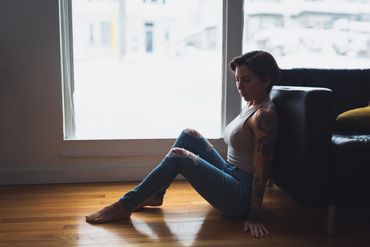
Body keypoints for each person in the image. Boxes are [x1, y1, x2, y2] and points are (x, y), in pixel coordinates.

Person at [86, 50, 281, 238]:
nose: (240, 87)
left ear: (266, 80)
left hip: (240, 197)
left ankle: (124, 205)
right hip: (231, 172)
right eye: (237, 80)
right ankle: (155, 195)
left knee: (179, 155)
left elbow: (262, 169)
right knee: (189, 134)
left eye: (247, 80)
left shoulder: (264, 116)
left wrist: (254, 214)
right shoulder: (252, 103)